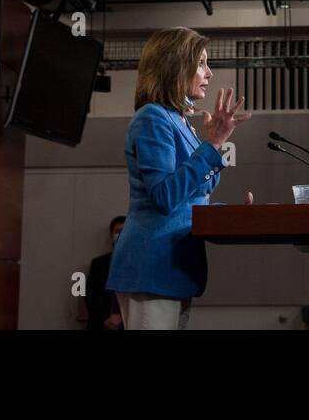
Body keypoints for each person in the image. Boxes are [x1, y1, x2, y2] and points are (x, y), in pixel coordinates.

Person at [106, 27, 252, 330]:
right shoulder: (152, 118)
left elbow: (193, 198)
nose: (210, 73)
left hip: (175, 270)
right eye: (201, 63)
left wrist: (231, 215)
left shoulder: (181, 121)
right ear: (175, 66)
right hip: (151, 266)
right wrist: (211, 146)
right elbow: (164, 197)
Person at [83, 216, 126, 330]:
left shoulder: (137, 266)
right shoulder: (98, 263)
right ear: (111, 234)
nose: (121, 235)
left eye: (124, 231)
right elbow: (90, 294)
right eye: (117, 231)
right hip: (101, 323)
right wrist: (105, 318)